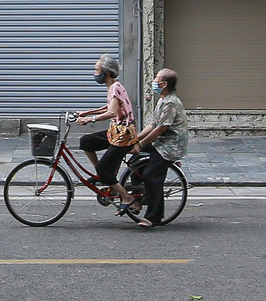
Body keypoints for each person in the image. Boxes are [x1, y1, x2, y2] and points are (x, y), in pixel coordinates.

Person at [127, 67, 188, 228]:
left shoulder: (170, 103)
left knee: (150, 175)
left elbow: (161, 129)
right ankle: (137, 200)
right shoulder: (162, 100)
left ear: (164, 84)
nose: (154, 81)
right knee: (135, 164)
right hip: (161, 142)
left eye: (156, 79)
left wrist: (141, 144)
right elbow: (153, 124)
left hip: (170, 146)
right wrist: (135, 139)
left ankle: (153, 216)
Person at [73, 54, 136, 200]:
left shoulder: (114, 87)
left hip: (123, 135)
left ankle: (126, 197)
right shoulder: (115, 86)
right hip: (115, 132)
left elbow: (112, 112)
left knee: (103, 168)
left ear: (106, 73)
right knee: (86, 141)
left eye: (96, 70)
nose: (95, 74)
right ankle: (101, 175)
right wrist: (87, 112)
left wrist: (90, 119)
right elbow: (109, 106)